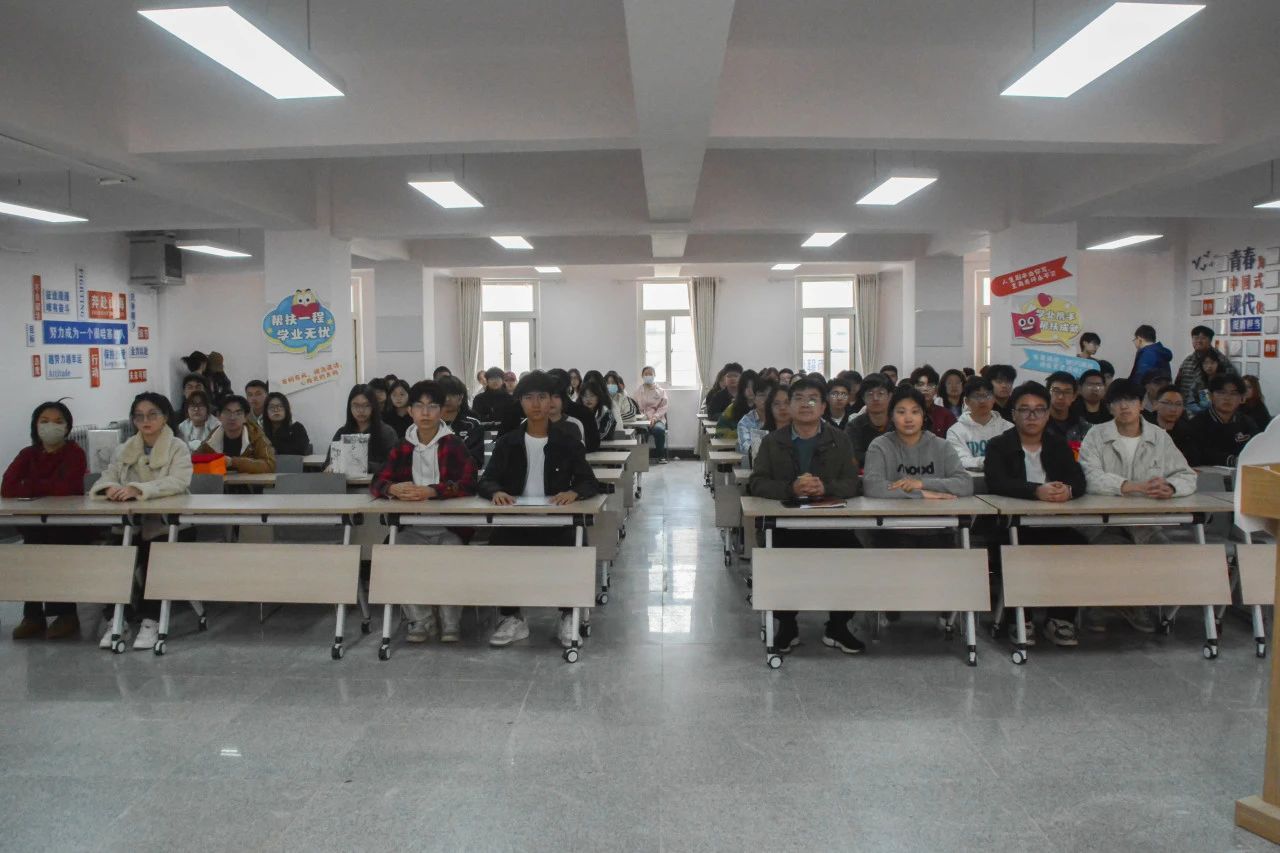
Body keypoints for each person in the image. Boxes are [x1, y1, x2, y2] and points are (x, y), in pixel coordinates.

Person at [478, 371, 600, 649]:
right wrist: (495, 491)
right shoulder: (508, 442)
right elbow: (486, 480)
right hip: (516, 522)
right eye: (529, 398)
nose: (536, 404)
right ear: (520, 402)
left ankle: (569, 615)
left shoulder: (567, 441)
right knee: (499, 546)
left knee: (575, 545)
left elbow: (589, 481)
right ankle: (512, 617)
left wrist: (574, 492)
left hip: (556, 521)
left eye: (542, 397)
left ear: (552, 401)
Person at [745, 378, 863, 655]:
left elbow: (853, 483)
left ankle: (838, 626)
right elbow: (756, 483)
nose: (805, 404)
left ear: (823, 406)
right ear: (789, 406)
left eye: (812, 399)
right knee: (777, 558)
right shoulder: (773, 442)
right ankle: (787, 625)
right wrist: (791, 488)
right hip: (786, 524)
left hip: (831, 524)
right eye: (798, 398)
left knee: (855, 556)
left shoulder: (840, 440)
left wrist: (825, 487)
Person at [370, 379, 479, 643]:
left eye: (432, 406)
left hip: (451, 528)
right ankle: (421, 620)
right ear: (410, 411)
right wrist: (392, 488)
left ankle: (450, 622)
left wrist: (434, 491)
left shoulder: (453, 444)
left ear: (441, 410)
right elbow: (377, 481)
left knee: (451, 558)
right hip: (411, 527)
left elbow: (470, 482)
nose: (426, 412)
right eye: (419, 406)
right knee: (394, 554)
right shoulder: (402, 447)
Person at [983, 382, 1089, 647]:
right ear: (1013, 414)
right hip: (1010, 525)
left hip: (1053, 523)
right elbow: (996, 482)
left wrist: (1068, 491)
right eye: (1025, 410)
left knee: (1076, 545)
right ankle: (1021, 618)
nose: (1032, 416)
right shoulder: (999, 445)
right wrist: (1035, 491)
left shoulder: (1057, 445)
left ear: (1048, 414)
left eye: (1039, 410)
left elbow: (1079, 480)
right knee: (1017, 549)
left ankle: (1060, 618)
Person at [90, 392, 193, 650]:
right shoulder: (125, 448)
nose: (145, 421)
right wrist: (110, 488)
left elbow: (178, 481)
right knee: (114, 559)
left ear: (165, 417)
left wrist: (139, 489)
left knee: (154, 557)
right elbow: (107, 476)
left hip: (168, 524)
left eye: (152, 415)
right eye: (139, 416)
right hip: (130, 524)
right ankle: (117, 619)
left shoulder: (178, 447)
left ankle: (151, 620)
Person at [3, 401, 90, 640]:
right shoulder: (27, 454)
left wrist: (29, 485)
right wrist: (44, 486)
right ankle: (32, 616)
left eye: (58, 421)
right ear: (35, 425)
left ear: (67, 427)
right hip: (33, 523)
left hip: (68, 524)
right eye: (44, 421)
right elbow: (7, 487)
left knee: (55, 549)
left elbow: (65, 488)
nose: (51, 426)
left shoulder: (74, 453)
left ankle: (65, 614)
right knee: (31, 552)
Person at [863, 386, 974, 501]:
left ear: (923, 415)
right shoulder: (880, 446)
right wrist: (922, 494)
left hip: (938, 511)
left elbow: (965, 484)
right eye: (901, 412)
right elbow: (872, 487)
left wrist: (921, 484)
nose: (908, 419)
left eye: (915, 412)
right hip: (893, 512)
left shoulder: (942, 446)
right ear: (891, 416)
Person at [1185, 373, 1260, 467]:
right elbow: (1198, 455)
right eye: (1221, 392)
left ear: (1241, 398)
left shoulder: (1248, 423)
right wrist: (1231, 460)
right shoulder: (1197, 423)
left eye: (1233, 393)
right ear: (1211, 396)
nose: (1227, 398)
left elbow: (1258, 449)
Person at [323, 385, 398, 474]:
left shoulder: (387, 433)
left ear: (373, 406)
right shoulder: (342, 433)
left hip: (376, 481)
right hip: (345, 482)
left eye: (366, 405)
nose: (361, 410)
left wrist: (365, 466)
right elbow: (328, 461)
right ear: (349, 407)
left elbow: (394, 466)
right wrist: (330, 466)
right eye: (356, 405)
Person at [197, 395, 277, 473]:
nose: (232, 417)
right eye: (227, 412)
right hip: (220, 481)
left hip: (249, 482)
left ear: (245, 417)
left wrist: (233, 462)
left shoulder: (256, 435)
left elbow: (269, 465)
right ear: (219, 416)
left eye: (238, 413)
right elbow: (195, 460)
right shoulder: (213, 436)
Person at [946, 376, 1012, 469]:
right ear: (966, 401)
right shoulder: (955, 431)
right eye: (976, 396)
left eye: (987, 395)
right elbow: (960, 460)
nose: (982, 401)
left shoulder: (1008, 428)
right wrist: (990, 461)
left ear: (994, 399)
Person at [845, 373, 893, 468]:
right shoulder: (854, 426)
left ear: (890, 396)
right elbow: (853, 456)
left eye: (880, 393)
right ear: (863, 398)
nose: (875, 398)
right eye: (870, 394)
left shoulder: (898, 423)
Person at [438, 375, 485, 468]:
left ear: (460, 398)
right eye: (443, 395)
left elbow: (476, 460)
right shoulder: (427, 424)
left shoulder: (473, 425)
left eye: (452, 395)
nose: (447, 399)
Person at [1144, 384, 1195, 461]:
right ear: (1155, 404)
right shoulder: (1144, 429)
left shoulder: (1187, 432)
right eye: (1167, 403)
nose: (1173, 409)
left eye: (1178, 404)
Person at [910, 365, 957, 438]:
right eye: (920, 385)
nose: (925, 389)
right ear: (913, 388)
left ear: (936, 389)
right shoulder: (905, 414)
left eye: (930, 385)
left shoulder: (946, 416)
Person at [1044, 371, 1090, 444]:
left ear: (1074, 396)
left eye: (1067, 392)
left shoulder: (1083, 426)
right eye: (1056, 391)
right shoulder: (1037, 422)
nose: (1061, 397)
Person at [261, 391, 312, 457]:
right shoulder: (260, 429)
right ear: (266, 411)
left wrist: (275, 450)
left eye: (280, 406)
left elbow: (301, 449)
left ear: (286, 409)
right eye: (271, 407)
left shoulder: (297, 427)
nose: (276, 410)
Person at [636, 365, 670, 463]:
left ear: (654, 375)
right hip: (643, 419)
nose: (648, 376)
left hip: (657, 419)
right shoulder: (638, 391)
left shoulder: (660, 391)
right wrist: (644, 419)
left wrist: (654, 418)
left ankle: (661, 456)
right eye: (646, 374)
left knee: (659, 430)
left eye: (650, 374)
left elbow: (663, 407)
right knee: (641, 430)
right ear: (642, 376)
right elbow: (636, 407)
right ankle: (641, 457)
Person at [1175, 325, 1214, 408]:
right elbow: (1178, 383)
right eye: (1196, 338)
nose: (1199, 341)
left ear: (1210, 340)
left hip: (1206, 409)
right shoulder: (1187, 360)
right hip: (1184, 408)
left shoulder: (1217, 361)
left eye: (1203, 338)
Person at [736, 379, 775, 456]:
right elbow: (746, 447)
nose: (766, 399)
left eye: (770, 396)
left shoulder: (781, 418)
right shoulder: (745, 422)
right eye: (762, 395)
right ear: (754, 398)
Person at [716, 369, 759, 437]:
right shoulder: (732, 408)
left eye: (753, 387)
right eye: (747, 387)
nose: (750, 390)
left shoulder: (762, 408)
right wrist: (739, 434)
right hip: (733, 443)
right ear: (741, 388)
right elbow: (720, 430)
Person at [1187, 348, 1227, 415]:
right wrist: (1202, 412)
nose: (1209, 366)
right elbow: (1190, 403)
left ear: (1218, 363)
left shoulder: (1225, 381)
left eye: (1212, 362)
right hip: (1202, 416)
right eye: (1206, 363)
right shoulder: (1198, 382)